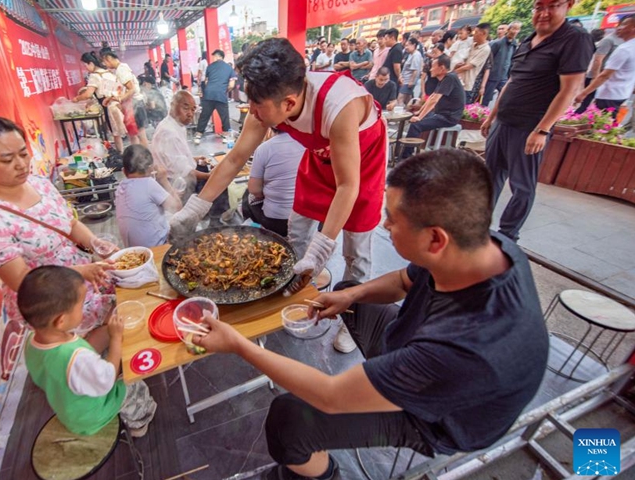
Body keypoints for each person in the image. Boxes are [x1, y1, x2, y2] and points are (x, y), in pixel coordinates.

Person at [190, 150, 548, 480]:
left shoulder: (466, 348)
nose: (385, 224)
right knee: (350, 289)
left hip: (438, 419)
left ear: (435, 240)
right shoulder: (484, 247)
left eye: (392, 219)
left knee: (289, 418)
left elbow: (331, 394)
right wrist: (352, 294)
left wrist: (238, 344)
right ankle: (377, 356)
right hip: (419, 350)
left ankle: (318, 474)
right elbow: (402, 281)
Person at [170, 38, 387, 354]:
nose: (252, 111)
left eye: (257, 106)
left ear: (288, 103)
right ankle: (291, 294)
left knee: (357, 251)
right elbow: (234, 159)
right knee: (296, 233)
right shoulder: (266, 103)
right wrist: (195, 208)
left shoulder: (340, 105)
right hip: (320, 158)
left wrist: (323, 248)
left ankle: (349, 321)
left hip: (362, 167)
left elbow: (347, 187)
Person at [0, 115, 119, 362]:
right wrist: (80, 272)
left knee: (112, 324)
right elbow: (22, 281)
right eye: (7, 159)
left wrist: (95, 244)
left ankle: (106, 368)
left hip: (84, 275)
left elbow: (71, 223)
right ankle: (89, 385)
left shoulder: (39, 183)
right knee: (79, 351)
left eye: (23, 154)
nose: (21, 164)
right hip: (51, 298)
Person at [481, 0, 594, 242]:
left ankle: (507, 236)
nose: (543, 13)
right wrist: (492, 116)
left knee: (522, 186)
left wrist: (542, 130)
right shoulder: (527, 39)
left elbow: (570, 89)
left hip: (529, 127)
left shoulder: (574, 38)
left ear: (568, 5)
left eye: (552, 6)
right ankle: (478, 226)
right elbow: (512, 82)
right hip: (503, 122)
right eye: (538, 7)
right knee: (490, 177)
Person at [19, 266, 157, 437]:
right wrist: (115, 339)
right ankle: (139, 423)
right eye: (81, 305)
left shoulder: (32, 340)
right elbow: (108, 379)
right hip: (92, 414)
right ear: (61, 321)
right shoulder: (77, 358)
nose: (84, 307)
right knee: (132, 384)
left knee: (103, 336)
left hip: (68, 406)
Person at [241, 129, 305, 237]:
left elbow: (254, 190)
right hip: (303, 221)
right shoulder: (309, 145)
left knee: (247, 194)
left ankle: (255, 235)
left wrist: (266, 194)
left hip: (276, 222)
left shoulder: (265, 148)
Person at [115, 145, 181, 247]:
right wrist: (164, 180)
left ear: (123, 171)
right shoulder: (149, 184)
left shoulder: (120, 187)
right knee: (183, 224)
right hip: (155, 248)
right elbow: (177, 208)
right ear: (150, 168)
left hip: (132, 249)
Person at [402, 55, 465, 157]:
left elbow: (434, 101)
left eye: (433, 66)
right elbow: (432, 97)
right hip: (440, 114)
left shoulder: (450, 78)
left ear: (442, 68)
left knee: (416, 125)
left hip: (448, 117)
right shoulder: (445, 78)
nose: (430, 69)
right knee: (414, 118)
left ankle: (406, 157)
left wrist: (419, 117)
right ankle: (408, 152)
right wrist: (419, 112)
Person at [575, 15, 635, 118]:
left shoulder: (624, 49)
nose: (619, 27)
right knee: (606, 123)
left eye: (625, 24)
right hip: (622, 93)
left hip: (610, 94)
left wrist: (583, 93)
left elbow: (605, 75)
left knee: (602, 125)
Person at [73, 52, 126, 153]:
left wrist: (77, 99)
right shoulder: (109, 73)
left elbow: (88, 94)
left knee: (116, 133)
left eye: (86, 65)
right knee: (118, 132)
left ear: (91, 63)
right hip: (117, 104)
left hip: (108, 106)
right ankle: (122, 154)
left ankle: (121, 156)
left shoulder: (94, 76)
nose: (86, 68)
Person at [100, 51, 150, 147]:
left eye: (105, 62)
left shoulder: (121, 70)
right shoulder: (122, 67)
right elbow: (122, 89)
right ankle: (137, 155)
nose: (105, 65)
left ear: (109, 59)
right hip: (133, 103)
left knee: (140, 134)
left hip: (134, 104)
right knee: (133, 134)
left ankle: (145, 158)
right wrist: (111, 98)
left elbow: (132, 89)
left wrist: (119, 99)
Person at [576, 28, 624, 113]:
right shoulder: (609, 40)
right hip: (598, 77)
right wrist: (595, 78)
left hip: (607, 80)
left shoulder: (625, 43)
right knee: (584, 105)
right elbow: (597, 60)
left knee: (597, 108)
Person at [194, 50, 236, 144]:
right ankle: (226, 136)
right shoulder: (229, 68)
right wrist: (225, 90)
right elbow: (232, 85)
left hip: (208, 94)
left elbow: (206, 81)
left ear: (218, 56)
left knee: (204, 115)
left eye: (213, 56)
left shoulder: (210, 66)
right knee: (224, 116)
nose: (213, 58)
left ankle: (198, 136)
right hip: (221, 95)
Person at [483, 21, 522, 107]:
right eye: (514, 28)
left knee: (503, 98)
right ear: (508, 29)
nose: (515, 31)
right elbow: (487, 60)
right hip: (493, 76)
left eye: (517, 29)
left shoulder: (514, 45)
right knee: (485, 100)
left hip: (505, 77)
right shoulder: (497, 43)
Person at [454, 23, 492, 91]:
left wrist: (454, 72)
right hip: (458, 79)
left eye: (476, 32)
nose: (474, 34)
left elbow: (471, 66)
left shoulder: (485, 49)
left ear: (483, 33)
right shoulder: (472, 44)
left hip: (466, 84)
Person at [397, 38, 423, 106]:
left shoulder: (416, 55)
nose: (406, 48)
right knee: (408, 99)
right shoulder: (411, 54)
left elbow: (415, 70)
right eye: (405, 45)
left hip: (408, 81)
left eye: (408, 45)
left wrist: (411, 81)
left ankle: (402, 113)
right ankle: (409, 112)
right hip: (405, 80)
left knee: (400, 98)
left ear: (414, 45)